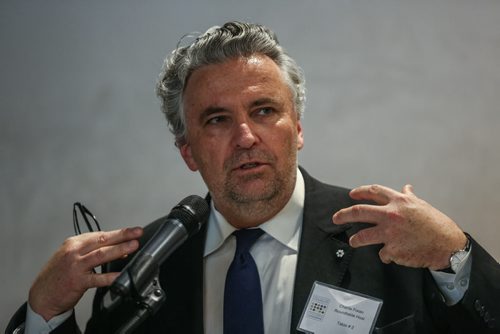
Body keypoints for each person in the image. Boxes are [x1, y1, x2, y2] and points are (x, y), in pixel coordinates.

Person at [7, 21, 499, 334]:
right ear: (188, 151)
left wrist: (453, 254)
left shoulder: (386, 236)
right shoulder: (146, 264)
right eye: (217, 120)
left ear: (298, 129)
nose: (245, 137)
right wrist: (43, 315)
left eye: (264, 110)